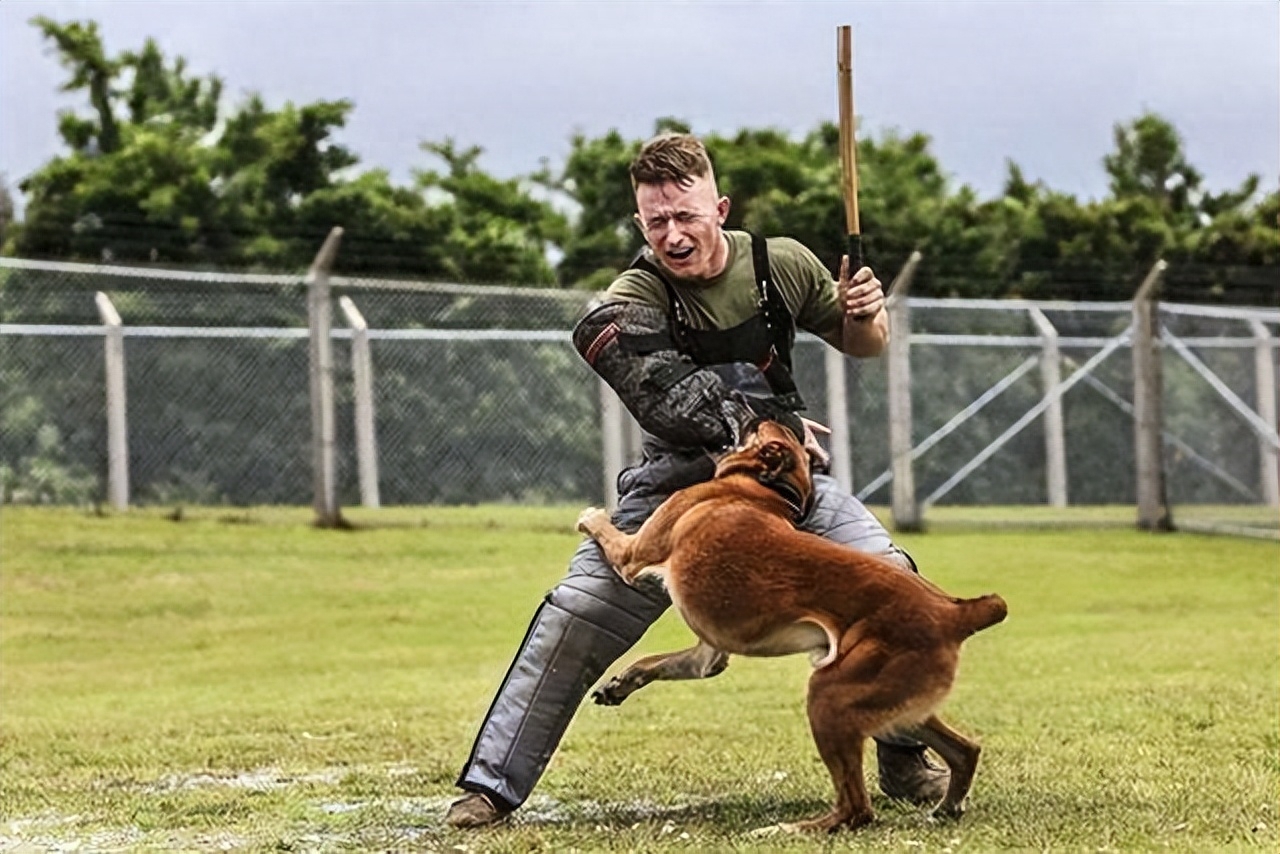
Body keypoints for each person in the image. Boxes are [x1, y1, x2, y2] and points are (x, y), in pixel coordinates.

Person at [445, 132, 947, 828]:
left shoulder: (781, 265)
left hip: (781, 483)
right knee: (578, 610)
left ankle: (899, 751)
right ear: (640, 224)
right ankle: (491, 788)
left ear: (720, 206)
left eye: (686, 215)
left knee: (889, 578)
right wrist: (763, 423)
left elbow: (863, 345)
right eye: (656, 222)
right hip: (677, 488)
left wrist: (870, 314)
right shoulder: (632, 298)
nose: (673, 235)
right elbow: (655, 389)